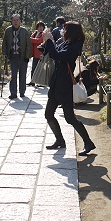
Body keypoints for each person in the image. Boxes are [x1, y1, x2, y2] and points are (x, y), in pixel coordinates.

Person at [41, 21, 96, 156]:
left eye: (65, 30)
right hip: (56, 83)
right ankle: (60, 140)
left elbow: (58, 55)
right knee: (48, 114)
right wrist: (48, 41)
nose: (62, 32)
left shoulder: (75, 47)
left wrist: (49, 41)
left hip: (64, 86)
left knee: (70, 118)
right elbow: (54, 51)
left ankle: (88, 142)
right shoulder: (66, 43)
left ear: (71, 32)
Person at [2, 14, 32, 99]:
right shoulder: (8, 30)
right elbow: (4, 43)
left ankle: (22, 92)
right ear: (11, 21)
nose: (15, 22)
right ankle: (13, 93)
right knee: (13, 75)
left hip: (22, 56)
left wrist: (27, 56)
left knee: (23, 75)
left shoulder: (24, 31)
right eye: (14, 20)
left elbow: (28, 44)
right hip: (12, 56)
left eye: (17, 20)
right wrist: (4, 53)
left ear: (20, 21)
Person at [28, 21, 46, 85]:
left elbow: (39, 41)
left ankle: (40, 82)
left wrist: (29, 39)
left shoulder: (43, 34)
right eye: (39, 27)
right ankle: (32, 81)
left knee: (40, 69)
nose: (41, 28)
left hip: (40, 54)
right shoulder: (35, 33)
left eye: (42, 27)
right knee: (33, 68)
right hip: (35, 53)